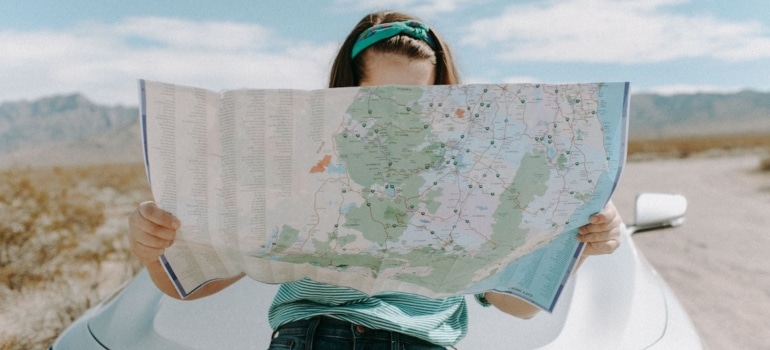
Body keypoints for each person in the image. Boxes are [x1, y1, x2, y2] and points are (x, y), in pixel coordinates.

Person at [128, 10, 622, 349]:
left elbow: (514, 306)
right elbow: (192, 285)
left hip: (420, 340)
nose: (395, 116)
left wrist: (577, 245)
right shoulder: (300, 161)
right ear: (345, 92)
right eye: (376, 99)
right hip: (312, 335)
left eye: (415, 101)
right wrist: (156, 250)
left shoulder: (476, 173)